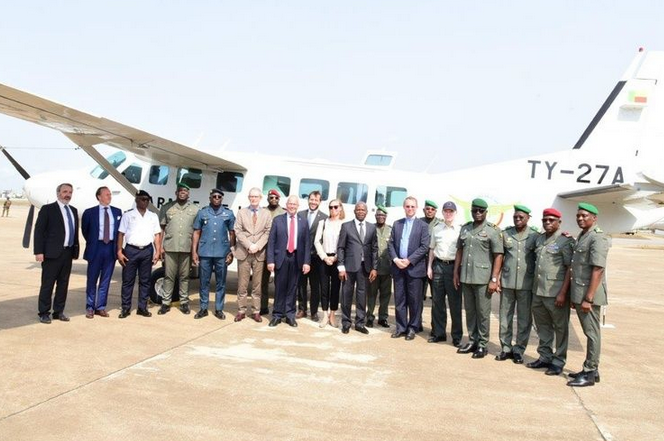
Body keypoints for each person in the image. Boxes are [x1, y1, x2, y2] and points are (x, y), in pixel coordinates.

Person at [453, 198, 503, 358]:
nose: (478, 213)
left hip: (483, 279)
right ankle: (472, 340)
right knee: (470, 311)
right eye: (475, 210)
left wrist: (494, 279)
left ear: (486, 212)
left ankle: (482, 344)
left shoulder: (492, 230)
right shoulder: (466, 228)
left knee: (482, 313)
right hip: (466, 277)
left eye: (481, 211)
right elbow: (459, 251)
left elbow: (498, 256)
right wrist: (455, 272)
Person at [566, 202, 610, 387]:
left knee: (592, 333)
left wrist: (588, 298)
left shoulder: (597, 238)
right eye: (578, 216)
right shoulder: (584, 236)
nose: (580, 218)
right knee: (589, 331)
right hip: (581, 292)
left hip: (589, 294)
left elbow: (598, 269)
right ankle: (593, 370)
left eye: (584, 216)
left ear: (594, 218)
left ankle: (590, 371)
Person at [527, 208, 574, 374]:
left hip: (555, 292)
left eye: (551, 220)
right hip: (538, 291)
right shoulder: (539, 239)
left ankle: (558, 361)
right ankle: (545, 356)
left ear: (559, 222)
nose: (547, 223)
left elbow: (570, 268)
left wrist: (563, 293)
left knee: (560, 328)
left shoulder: (565, 241)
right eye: (545, 220)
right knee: (542, 327)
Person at [495, 205, 538, 363]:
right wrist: (497, 278)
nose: (518, 220)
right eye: (515, 217)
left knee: (524, 319)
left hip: (526, 284)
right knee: (504, 316)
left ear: (528, 218)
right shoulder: (506, 233)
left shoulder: (534, 235)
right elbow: (500, 256)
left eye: (521, 217)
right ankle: (506, 348)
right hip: (507, 282)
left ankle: (519, 349)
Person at [34, 183, 79, 324]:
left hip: (68, 252)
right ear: (58, 193)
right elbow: (39, 231)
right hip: (51, 254)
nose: (68, 194)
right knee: (48, 284)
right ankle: (44, 312)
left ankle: (58, 312)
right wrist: (39, 251)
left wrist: (75, 250)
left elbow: (74, 232)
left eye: (70, 192)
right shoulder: (48, 209)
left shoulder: (73, 210)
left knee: (63, 284)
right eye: (65, 191)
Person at [388, 196, 430, 341]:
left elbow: (424, 246)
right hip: (398, 267)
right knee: (399, 299)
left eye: (412, 206)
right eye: (407, 206)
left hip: (414, 268)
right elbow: (391, 244)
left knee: (414, 300)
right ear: (404, 207)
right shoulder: (397, 224)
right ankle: (401, 327)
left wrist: (409, 260)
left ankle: (413, 327)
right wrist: (396, 259)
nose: (410, 209)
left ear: (416, 208)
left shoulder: (423, 226)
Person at [266, 195, 311, 327]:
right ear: (286, 205)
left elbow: (307, 243)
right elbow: (271, 242)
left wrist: (306, 262)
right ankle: (277, 315)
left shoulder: (303, 221)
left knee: (292, 288)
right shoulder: (277, 220)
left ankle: (290, 315)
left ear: (298, 206)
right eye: (290, 204)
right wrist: (270, 260)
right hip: (281, 257)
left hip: (297, 258)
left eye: (294, 204)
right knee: (280, 287)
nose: (292, 206)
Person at [192, 189, 236, 320]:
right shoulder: (202, 213)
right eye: (214, 196)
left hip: (222, 253)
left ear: (222, 199)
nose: (216, 198)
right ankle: (203, 308)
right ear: (210, 198)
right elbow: (196, 233)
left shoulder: (228, 214)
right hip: (205, 252)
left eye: (219, 197)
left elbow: (232, 233)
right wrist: (194, 251)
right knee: (204, 281)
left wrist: (231, 251)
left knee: (220, 282)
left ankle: (218, 309)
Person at [117, 190, 162, 318]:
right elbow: (121, 234)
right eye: (143, 199)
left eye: (147, 200)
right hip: (131, 250)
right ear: (137, 200)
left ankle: (142, 307)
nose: (145, 202)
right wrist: (119, 251)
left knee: (145, 281)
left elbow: (156, 235)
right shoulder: (128, 215)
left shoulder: (153, 216)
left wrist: (157, 251)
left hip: (147, 250)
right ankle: (125, 308)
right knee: (128, 281)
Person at [158, 182, 199, 315]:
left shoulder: (194, 209)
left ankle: (184, 302)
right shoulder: (167, 208)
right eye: (180, 191)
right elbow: (161, 229)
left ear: (188, 194)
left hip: (186, 248)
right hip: (170, 247)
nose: (182, 193)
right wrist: (159, 248)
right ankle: (165, 303)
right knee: (168, 276)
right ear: (176, 193)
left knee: (184, 276)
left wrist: (195, 251)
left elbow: (197, 232)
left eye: (185, 191)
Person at [337, 202, 378, 334]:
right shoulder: (346, 226)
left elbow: (374, 249)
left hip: (364, 267)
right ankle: (346, 322)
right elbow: (341, 248)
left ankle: (360, 323)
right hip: (349, 267)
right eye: (358, 209)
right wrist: (341, 267)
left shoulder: (372, 228)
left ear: (366, 212)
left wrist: (374, 268)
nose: (361, 212)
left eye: (363, 210)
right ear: (354, 211)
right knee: (346, 295)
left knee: (362, 295)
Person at [81, 186, 122, 319]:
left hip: (110, 248)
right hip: (96, 248)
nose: (109, 196)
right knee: (92, 279)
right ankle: (90, 307)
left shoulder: (117, 212)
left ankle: (101, 307)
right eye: (106, 194)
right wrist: (93, 242)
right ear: (99, 196)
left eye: (110, 194)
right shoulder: (89, 212)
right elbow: (85, 231)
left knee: (105, 280)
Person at [234, 187, 272, 323]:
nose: (253, 199)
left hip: (259, 253)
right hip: (244, 252)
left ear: (260, 198)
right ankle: (241, 310)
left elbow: (268, 231)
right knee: (242, 284)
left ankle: (256, 311)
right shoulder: (242, 212)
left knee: (257, 285)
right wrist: (249, 245)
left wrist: (258, 246)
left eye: (256, 196)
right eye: (251, 196)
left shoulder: (266, 214)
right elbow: (238, 230)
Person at [427, 201, 462, 346]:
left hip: (454, 268)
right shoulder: (437, 229)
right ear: (442, 213)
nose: (448, 214)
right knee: (437, 302)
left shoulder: (460, 229)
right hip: (438, 266)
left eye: (451, 211)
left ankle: (456, 336)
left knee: (455, 304)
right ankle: (439, 333)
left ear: (455, 213)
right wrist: (429, 267)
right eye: (446, 211)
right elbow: (431, 249)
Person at [314, 198, 345, 328]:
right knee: (324, 287)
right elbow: (317, 241)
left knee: (336, 288)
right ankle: (325, 314)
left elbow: (344, 243)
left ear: (340, 208)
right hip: (324, 259)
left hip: (337, 259)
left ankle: (333, 314)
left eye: (336, 207)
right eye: (331, 207)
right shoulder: (323, 223)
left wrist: (336, 257)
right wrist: (324, 257)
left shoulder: (344, 224)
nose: (333, 209)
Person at [297, 190, 327, 321]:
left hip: (316, 257)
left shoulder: (324, 217)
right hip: (302, 256)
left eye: (316, 200)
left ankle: (314, 312)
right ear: (308, 200)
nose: (313, 202)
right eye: (311, 199)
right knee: (301, 284)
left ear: (320, 202)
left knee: (315, 286)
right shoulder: (300, 214)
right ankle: (302, 309)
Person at [260, 189, 286, 315]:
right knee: (262, 281)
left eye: (276, 198)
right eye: (271, 197)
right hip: (264, 251)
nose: (273, 200)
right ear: (268, 199)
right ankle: (263, 306)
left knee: (279, 282)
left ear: (279, 199)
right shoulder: (262, 212)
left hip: (278, 252)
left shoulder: (283, 213)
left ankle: (278, 307)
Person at [367, 205, 392, 328]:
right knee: (371, 294)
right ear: (375, 216)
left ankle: (383, 318)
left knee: (385, 295)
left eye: (383, 215)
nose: (380, 217)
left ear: (386, 217)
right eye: (378, 215)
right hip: (373, 269)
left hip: (387, 269)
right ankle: (370, 317)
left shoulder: (391, 230)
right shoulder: (370, 228)